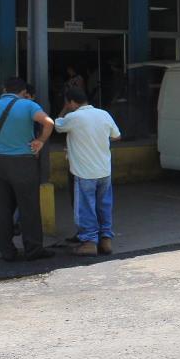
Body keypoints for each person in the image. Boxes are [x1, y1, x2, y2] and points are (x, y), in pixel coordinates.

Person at [0, 77, 55, 262]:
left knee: (4, 209)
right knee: (29, 208)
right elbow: (49, 122)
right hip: (23, 163)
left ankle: (6, 250)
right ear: (24, 92)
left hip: (0, 163)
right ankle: (33, 249)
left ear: (4, 88)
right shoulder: (28, 106)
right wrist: (40, 141)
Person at [54, 87, 121, 256]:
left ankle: (89, 242)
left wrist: (64, 110)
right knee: (104, 205)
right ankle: (106, 240)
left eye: (67, 103)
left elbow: (57, 125)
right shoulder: (103, 114)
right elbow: (116, 136)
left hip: (84, 172)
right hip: (104, 170)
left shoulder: (73, 117)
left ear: (71, 102)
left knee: (85, 208)